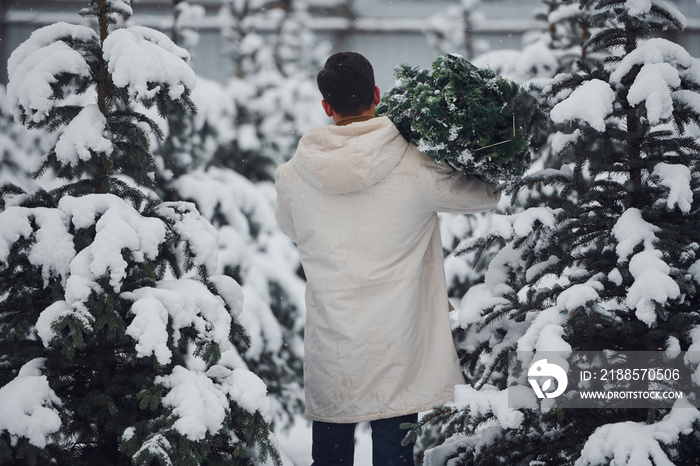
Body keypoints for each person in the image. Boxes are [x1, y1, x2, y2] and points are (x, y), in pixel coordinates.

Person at [274, 52, 500, 466]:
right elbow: (485, 193)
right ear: (377, 94)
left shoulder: (292, 175)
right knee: (394, 455)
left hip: (333, 342)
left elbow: (293, 230)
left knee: (330, 456)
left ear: (327, 106)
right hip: (399, 341)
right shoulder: (415, 164)